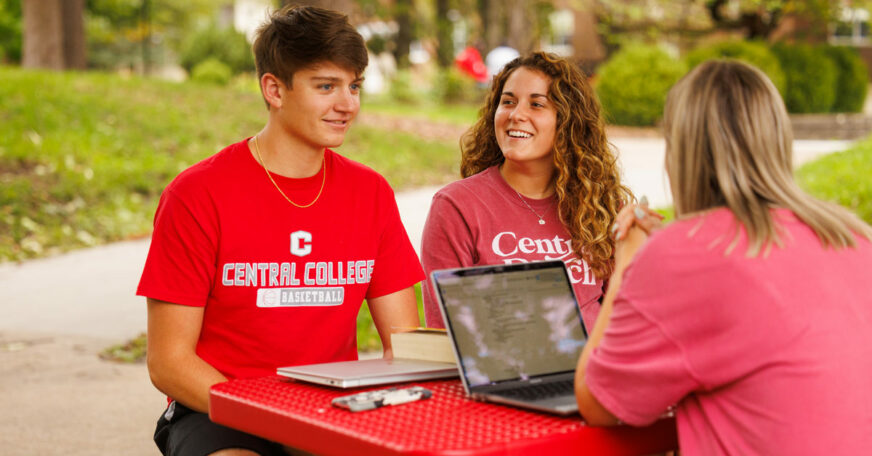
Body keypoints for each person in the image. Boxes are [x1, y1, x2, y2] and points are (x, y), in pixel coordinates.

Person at [137, 5, 423, 456]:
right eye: (326, 86)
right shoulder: (196, 194)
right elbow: (169, 363)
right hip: (218, 407)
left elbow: (406, 344)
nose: (347, 104)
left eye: (354, 86)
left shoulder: (371, 193)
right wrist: (277, 419)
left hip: (333, 410)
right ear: (274, 88)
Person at [575, 60, 872, 455]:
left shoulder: (686, 252)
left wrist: (629, 259)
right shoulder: (851, 236)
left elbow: (599, 401)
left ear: (681, 152)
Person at [421, 51, 633, 331]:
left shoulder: (601, 205)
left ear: (568, 121)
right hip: (504, 372)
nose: (516, 115)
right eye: (507, 102)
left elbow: (626, 320)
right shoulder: (457, 206)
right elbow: (445, 330)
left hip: (593, 371)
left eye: (537, 104)